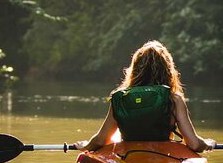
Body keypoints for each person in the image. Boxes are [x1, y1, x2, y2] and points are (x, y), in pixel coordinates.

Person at [74, 40, 215, 152]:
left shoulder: (121, 98)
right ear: (168, 70)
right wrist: (207, 144)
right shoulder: (174, 99)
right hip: (163, 157)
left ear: (135, 69)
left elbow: (100, 140)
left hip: (128, 157)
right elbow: (194, 144)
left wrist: (86, 146)